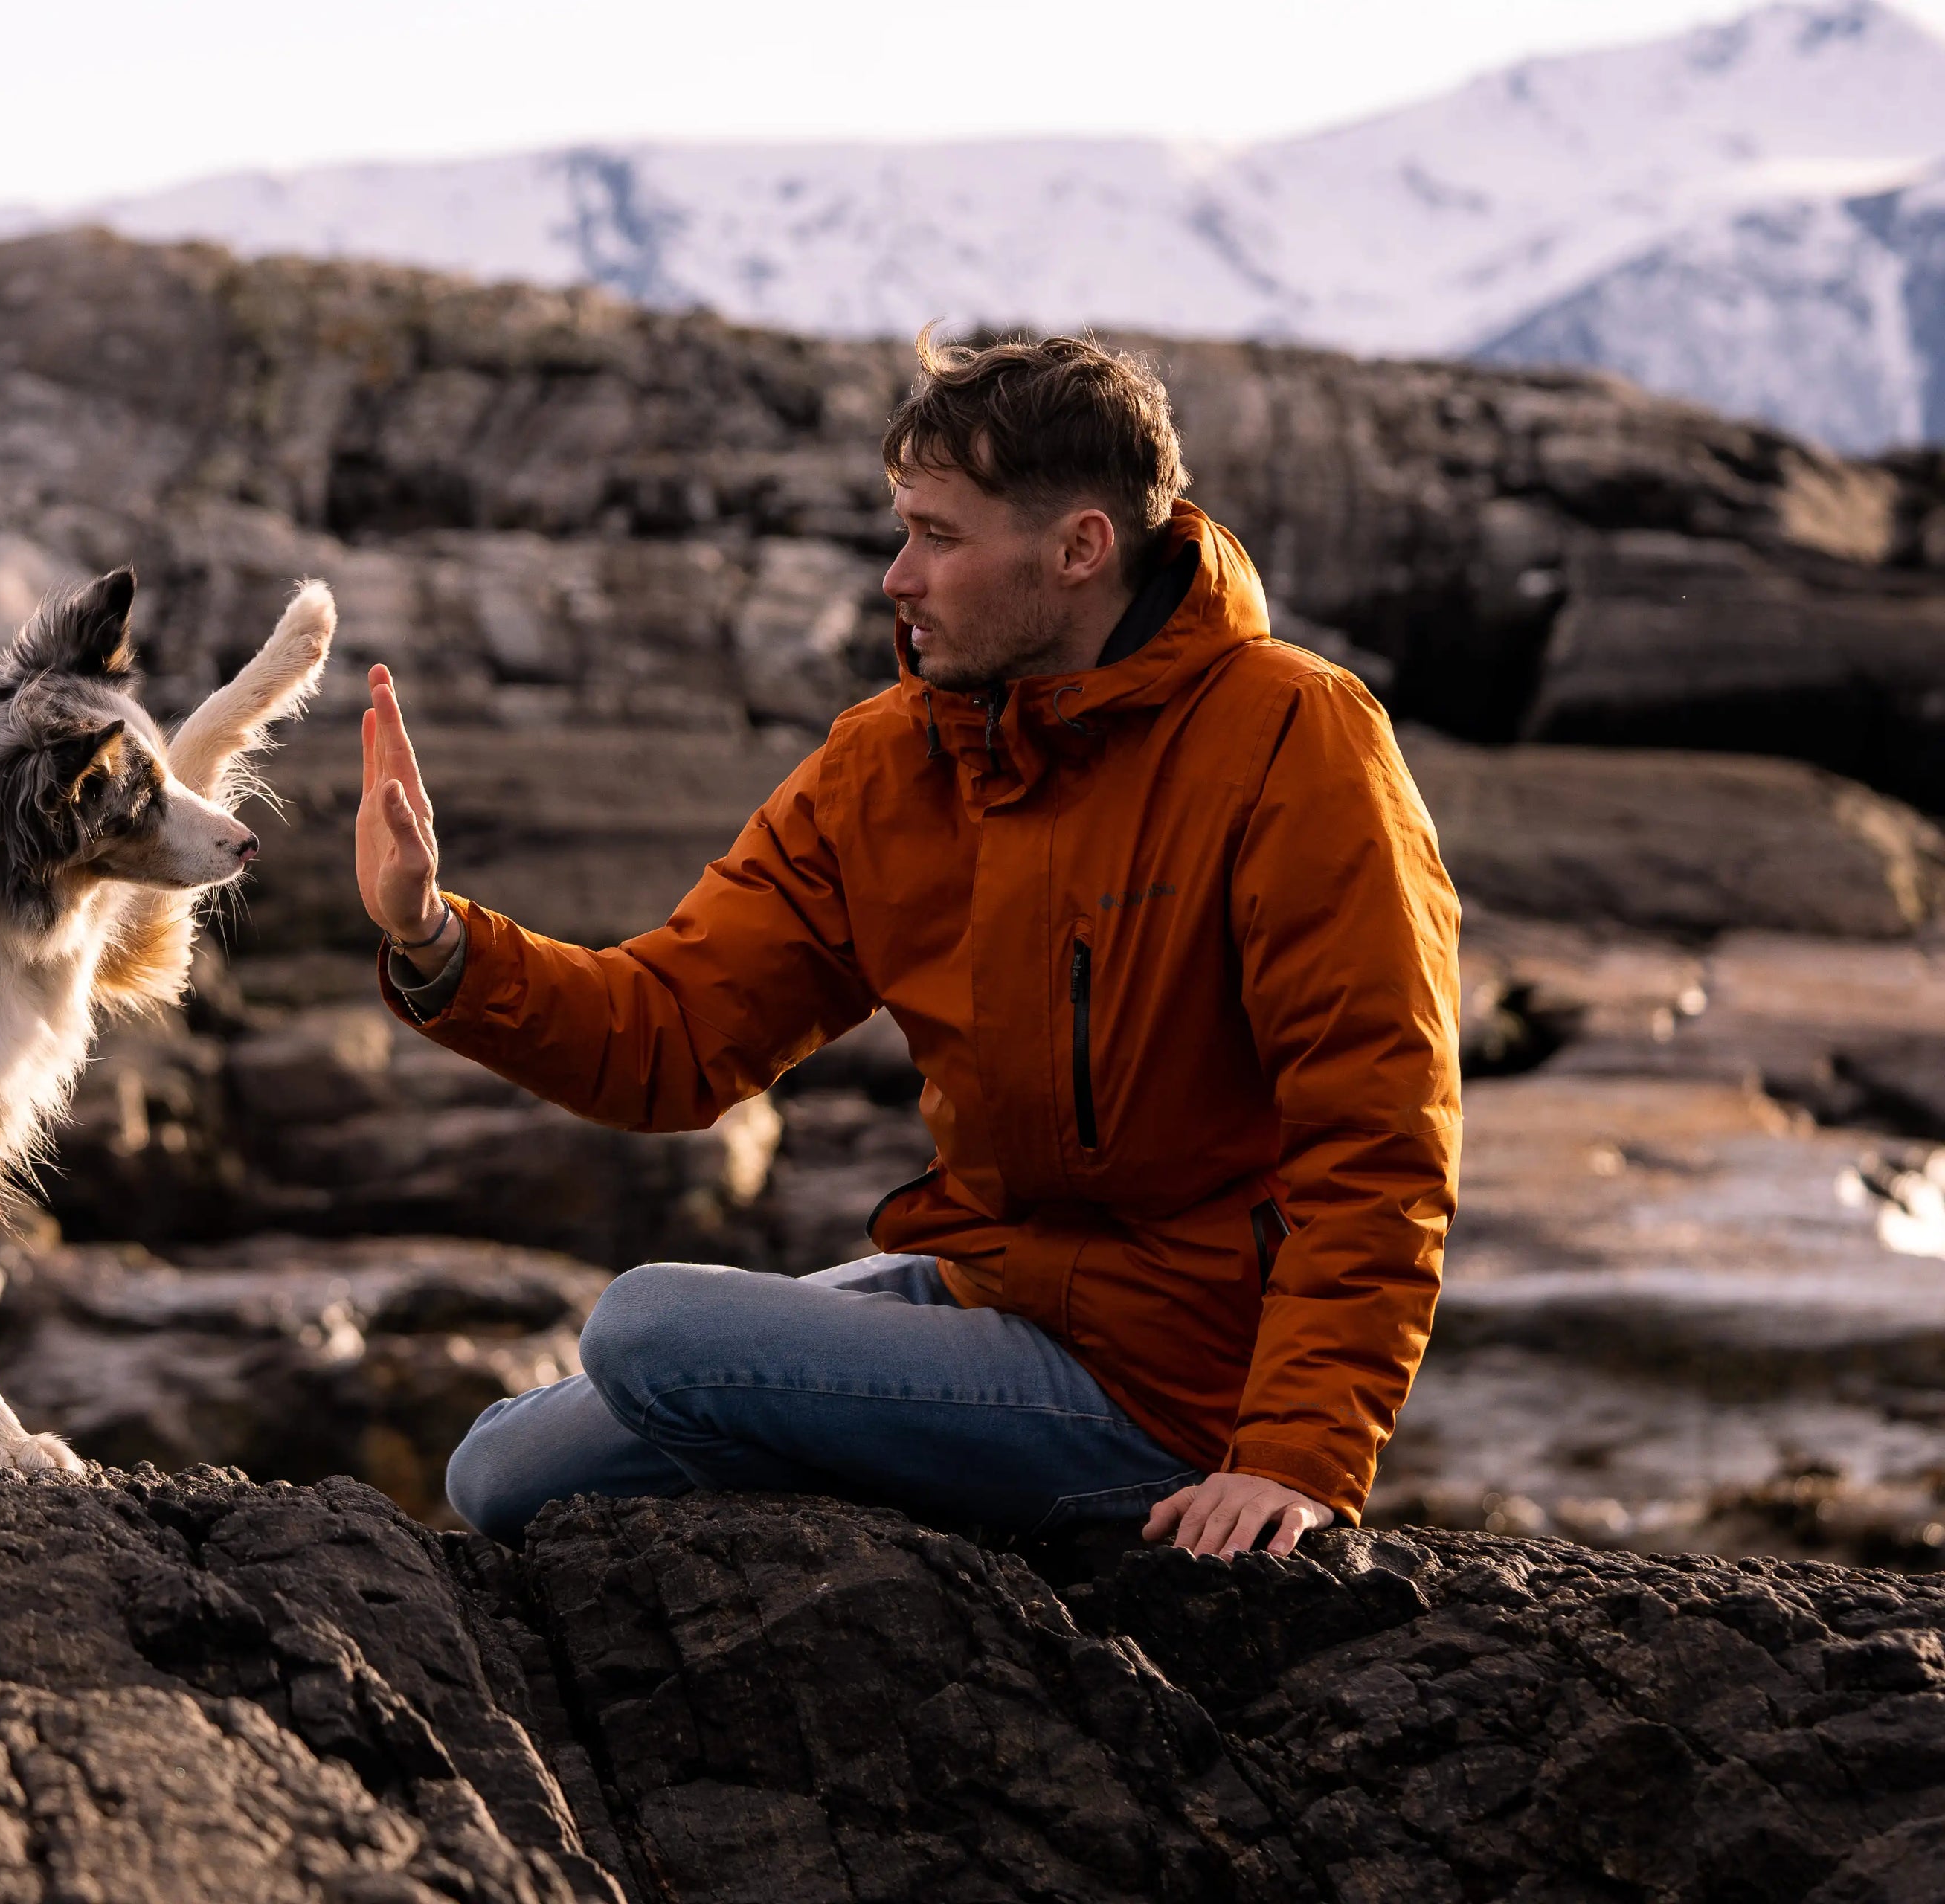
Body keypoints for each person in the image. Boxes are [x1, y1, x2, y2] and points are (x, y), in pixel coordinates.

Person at [353, 332, 1460, 1559]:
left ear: (1079, 547)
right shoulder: (888, 763)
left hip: (1172, 1385)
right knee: (501, 1469)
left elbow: (1377, 1134)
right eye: (903, 531)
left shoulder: (1293, 735)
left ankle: (990, 1515)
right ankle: (930, 1497)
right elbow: (670, 1037)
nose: (898, 577)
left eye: (939, 537)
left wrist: (1296, 1457)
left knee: (646, 1333)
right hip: (991, 1293)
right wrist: (434, 937)